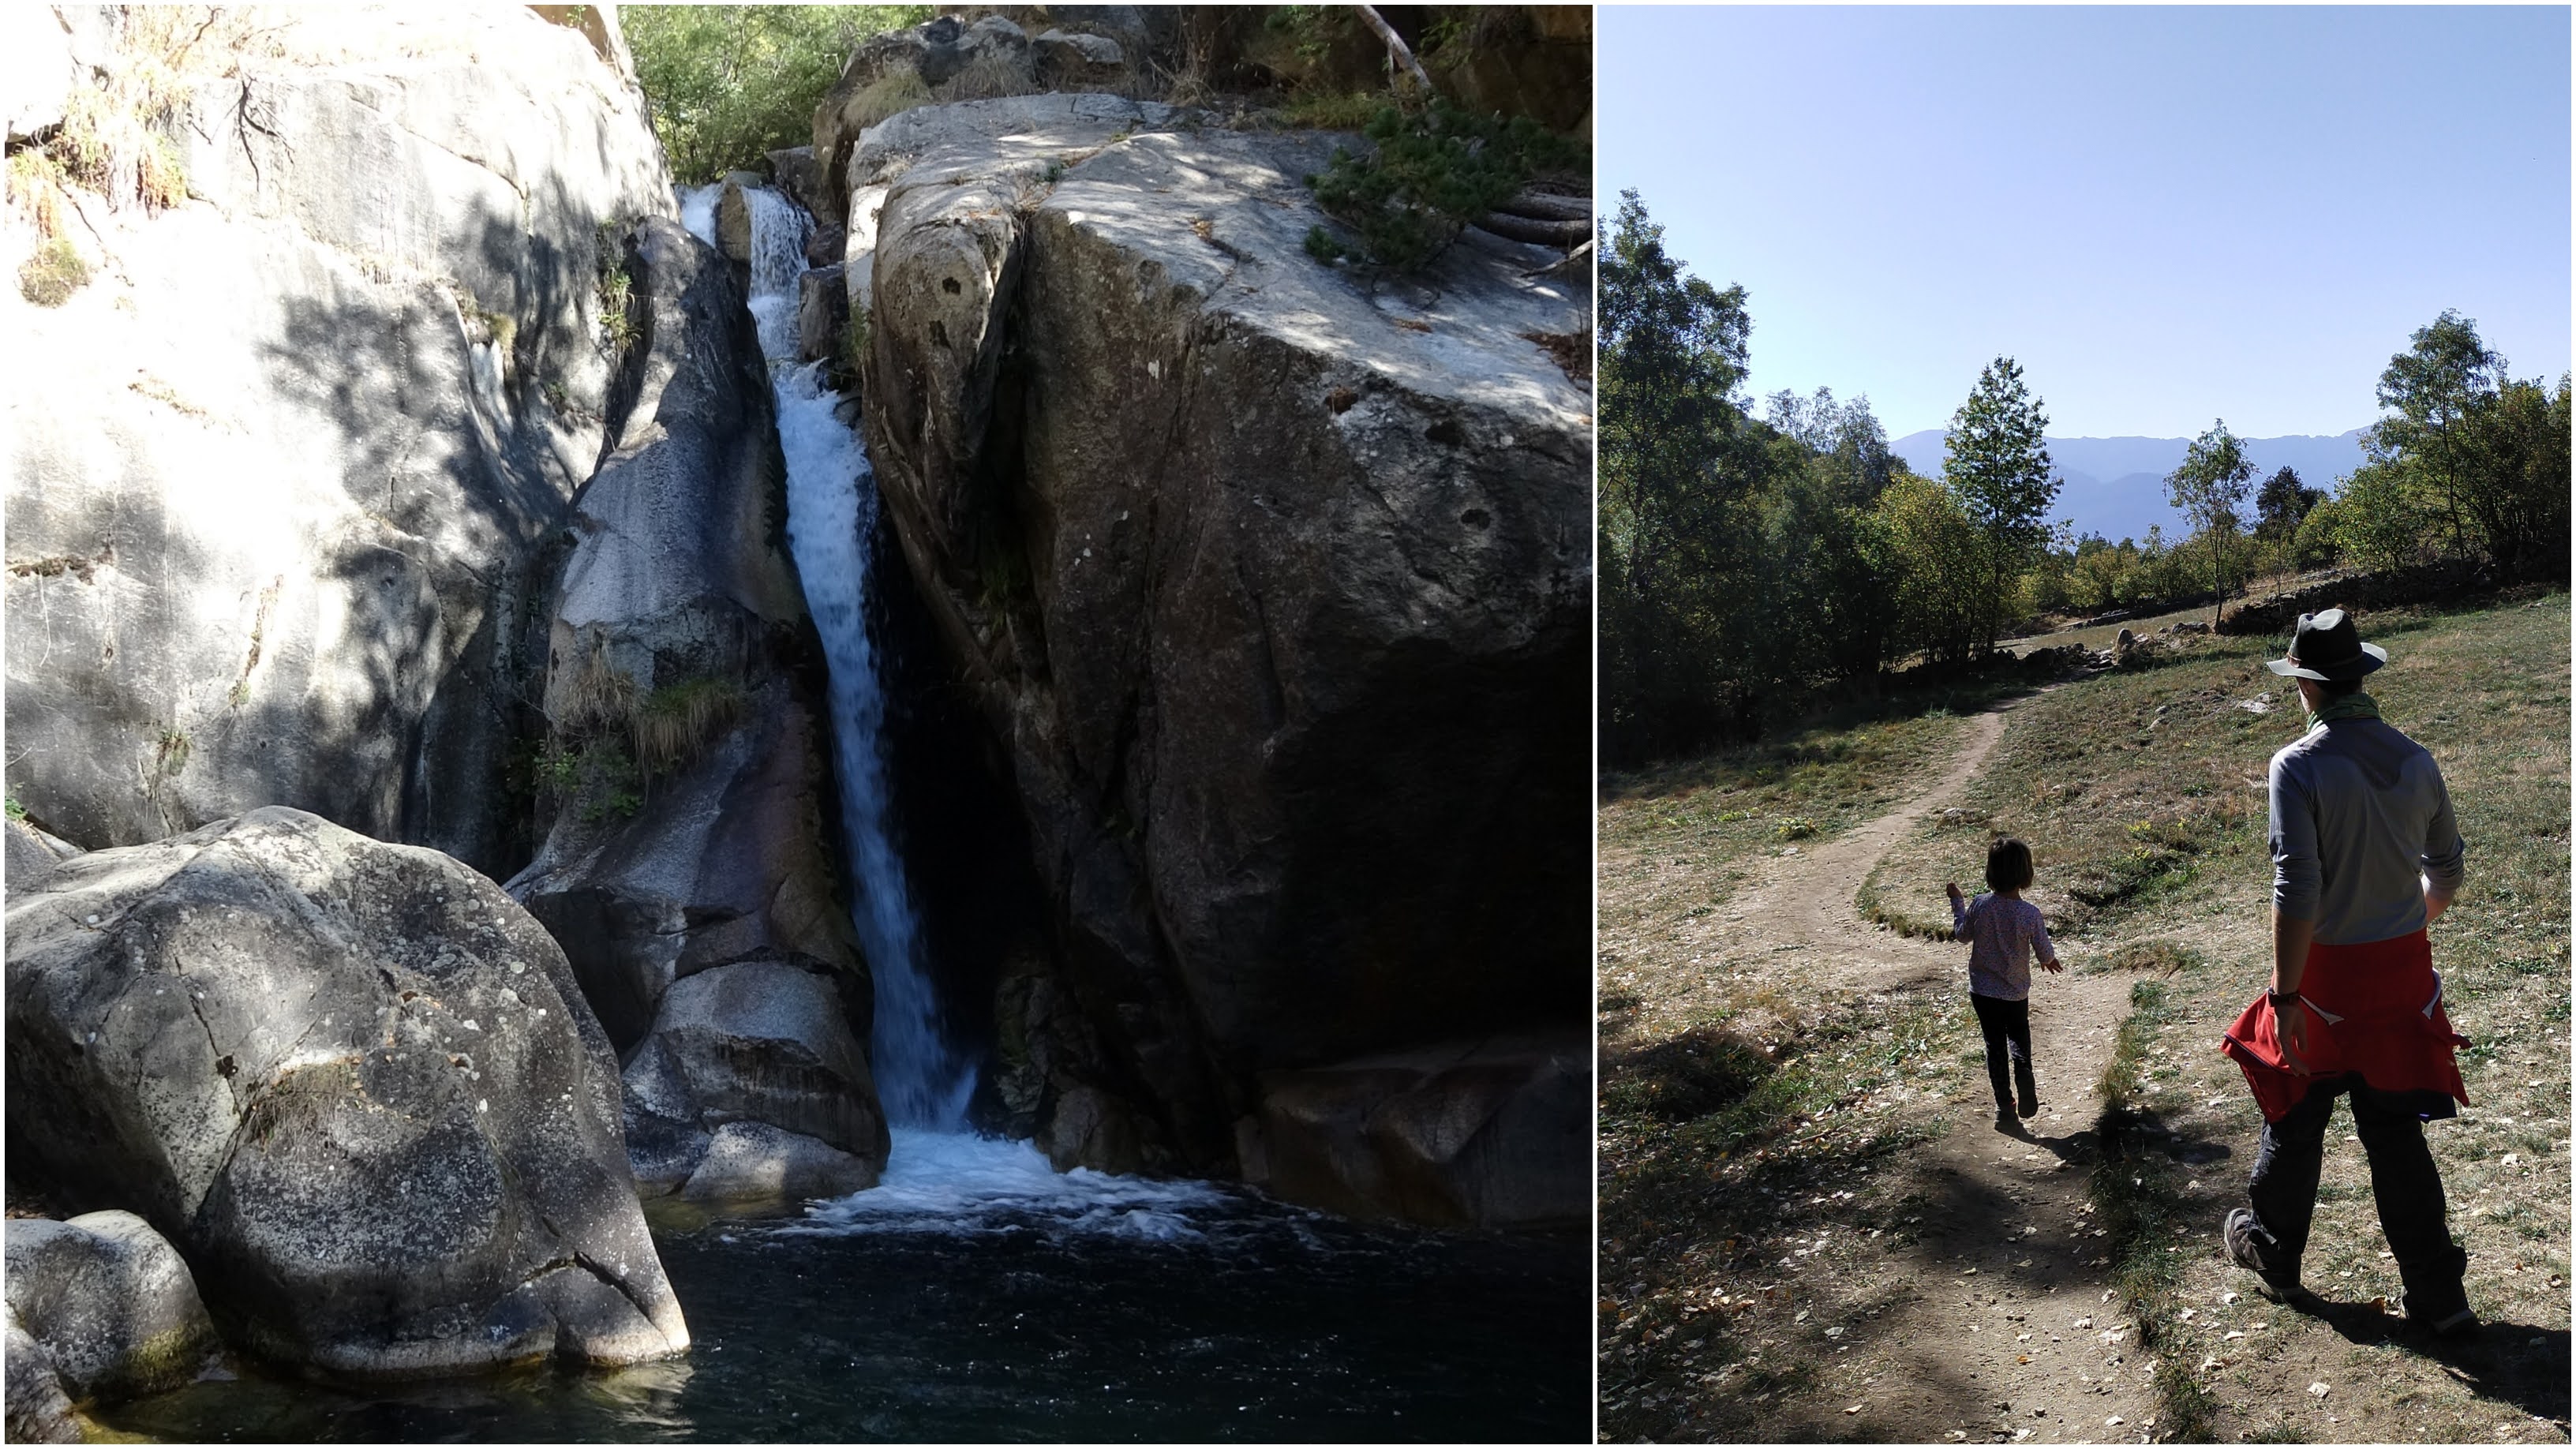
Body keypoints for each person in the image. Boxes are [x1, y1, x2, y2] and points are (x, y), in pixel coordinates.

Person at [2217, 608, 2474, 1335]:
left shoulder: (2296, 766)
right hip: (2400, 982)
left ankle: (2272, 1253)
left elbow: (2296, 889)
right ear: (2360, 675)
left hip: (2324, 985)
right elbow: (2447, 869)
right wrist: (2406, 927)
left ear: (2306, 685)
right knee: (2395, 1134)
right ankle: (2439, 1299)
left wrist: (2286, 994)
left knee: (2296, 1120)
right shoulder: (2418, 761)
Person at [1948, 837, 2064, 1133]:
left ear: (1990, 871)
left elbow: (1962, 935)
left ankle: (2004, 1108)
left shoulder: (1980, 905)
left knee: (1994, 1047)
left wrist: (1957, 903)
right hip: (2015, 992)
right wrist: (2048, 960)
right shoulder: (2030, 913)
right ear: (2026, 875)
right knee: (2019, 1039)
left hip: (1983, 992)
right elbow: (2045, 950)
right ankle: (2024, 1074)